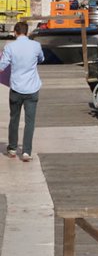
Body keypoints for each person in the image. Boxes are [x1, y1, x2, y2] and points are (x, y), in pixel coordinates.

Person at [1, 21, 44, 161]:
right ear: (27, 32)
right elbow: (41, 59)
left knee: (14, 119)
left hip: (16, 88)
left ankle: (12, 149)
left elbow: (2, 66)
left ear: (15, 32)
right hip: (32, 88)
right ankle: (26, 152)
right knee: (30, 121)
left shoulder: (10, 47)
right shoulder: (36, 46)